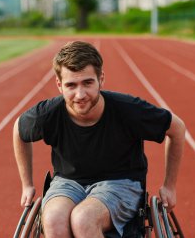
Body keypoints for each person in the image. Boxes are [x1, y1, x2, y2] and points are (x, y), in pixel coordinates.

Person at [13, 41, 185, 238]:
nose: (80, 95)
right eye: (71, 85)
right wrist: (27, 185)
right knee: (52, 219)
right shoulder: (48, 114)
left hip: (120, 182)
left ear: (100, 79)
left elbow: (177, 128)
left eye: (87, 83)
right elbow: (18, 130)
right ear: (59, 85)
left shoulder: (128, 110)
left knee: (83, 219)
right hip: (67, 183)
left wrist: (170, 186)